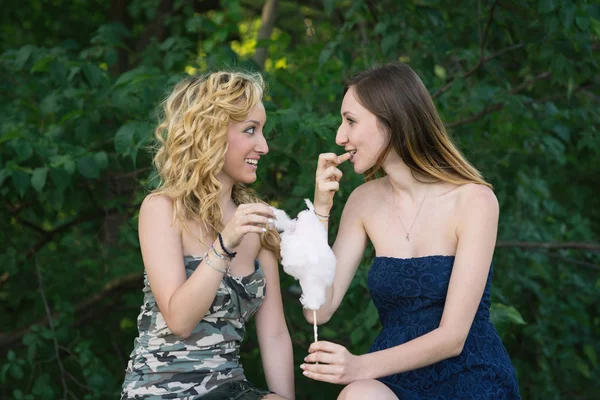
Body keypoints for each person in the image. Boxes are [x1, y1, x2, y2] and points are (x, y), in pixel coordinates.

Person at [300, 63, 521, 399]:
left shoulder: (474, 200)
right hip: (394, 378)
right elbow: (318, 310)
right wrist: (321, 212)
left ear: (390, 120)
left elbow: (453, 337)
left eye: (350, 121)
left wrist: (359, 366)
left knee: (359, 386)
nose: (339, 137)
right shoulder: (362, 201)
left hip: (469, 374)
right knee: (359, 395)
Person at [121, 71, 294, 400]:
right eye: (250, 130)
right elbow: (180, 320)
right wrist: (225, 244)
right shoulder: (162, 209)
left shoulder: (256, 219)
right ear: (212, 132)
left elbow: (273, 334)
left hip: (229, 388)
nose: (264, 146)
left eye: (262, 130)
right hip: (159, 390)